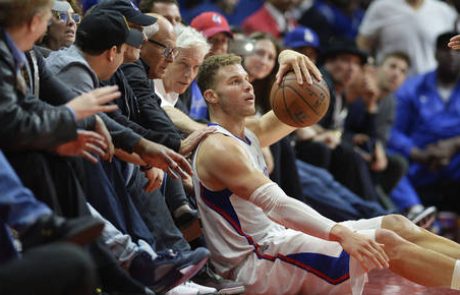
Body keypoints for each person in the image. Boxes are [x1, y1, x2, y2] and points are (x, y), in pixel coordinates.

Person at [193, 52, 460, 294]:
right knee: (385, 242)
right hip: (255, 261)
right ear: (211, 96)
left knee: (396, 224)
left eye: (246, 79)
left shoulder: (250, 131)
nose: (247, 85)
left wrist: (288, 56)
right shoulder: (218, 146)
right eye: (234, 82)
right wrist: (340, 233)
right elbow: (278, 203)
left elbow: (303, 108)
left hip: (276, 241)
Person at [388, 31, 460, 213]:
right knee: (388, 158)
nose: (451, 55)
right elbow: (392, 130)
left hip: (456, 159)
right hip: (420, 160)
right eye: (446, 49)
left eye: (457, 50)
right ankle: (415, 210)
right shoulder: (412, 87)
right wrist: (417, 152)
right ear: (435, 53)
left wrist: (455, 144)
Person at [357, 0, 457, 76]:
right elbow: (362, 45)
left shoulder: (444, 11)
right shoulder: (381, 7)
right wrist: (369, 70)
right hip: (392, 83)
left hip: (430, 86)